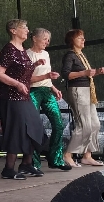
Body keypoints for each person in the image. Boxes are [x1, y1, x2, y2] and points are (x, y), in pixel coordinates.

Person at [0, 19, 46, 180]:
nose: (27, 30)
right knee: (16, 130)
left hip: (23, 96)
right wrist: (16, 84)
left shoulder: (22, 50)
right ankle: (8, 169)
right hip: (10, 97)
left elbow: (21, 71)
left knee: (34, 126)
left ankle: (26, 164)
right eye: (24, 28)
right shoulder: (9, 49)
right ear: (13, 30)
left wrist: (35, 65)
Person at [60, 29, 104, 167]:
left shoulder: (81, 55)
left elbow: (86, 74)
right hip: (78, 91)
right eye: (80, 37)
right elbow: (66, 74)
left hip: (88, 91)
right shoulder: (70, 55)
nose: (83, 40)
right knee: (84, 125)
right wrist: (84, 72)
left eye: (83, 37)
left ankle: (87, 156)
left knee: (95, 124)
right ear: (72, 40)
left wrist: (96, 72)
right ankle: (67, 155)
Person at [27, 28, 72, 171]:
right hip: (33, 91)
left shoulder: (46, 54)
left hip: (47, 91)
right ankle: (34, 163)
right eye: (45, 39)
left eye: (48, 40)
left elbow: (47, 75)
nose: (47, 42)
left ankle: (55, 159)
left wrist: (53, 88)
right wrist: (46, 77)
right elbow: (26, 79)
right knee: (34, 127)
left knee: (58, 124)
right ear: (34, 38)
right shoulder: (27, 55)